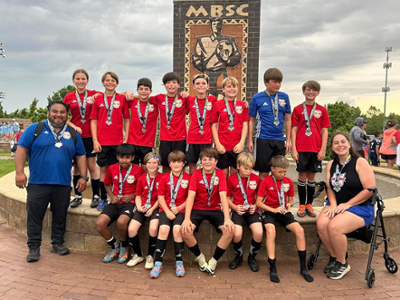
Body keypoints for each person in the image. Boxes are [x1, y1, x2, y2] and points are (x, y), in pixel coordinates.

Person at [15, 101, 88, 262]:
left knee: (60, 215)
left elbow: (81, 155)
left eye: (62, 112)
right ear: (48, 113)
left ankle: (57, 244)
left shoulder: (73, 133)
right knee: (34, 216)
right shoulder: (35, 129)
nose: (58, 115)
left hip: (62, 183)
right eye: (55, 111)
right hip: (38, 182)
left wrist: (83, 176)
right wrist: (19, 173)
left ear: (67, 115)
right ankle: (33, 248)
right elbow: (21, 149)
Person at [317, 132, 375, 280]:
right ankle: (335, 256)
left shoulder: (360, 162)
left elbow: (369, 190)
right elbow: (329, 188)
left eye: (343, 141)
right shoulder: (331, 164)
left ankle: (342, 263)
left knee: (335, 226)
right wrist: (333, 204)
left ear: (349, 144)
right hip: (338, 204)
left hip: (359, 206)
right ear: (332, 147)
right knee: (322, 223)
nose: (340, 145)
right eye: (336, 143)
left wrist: (347, 204)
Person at [256, 155, 313, 283]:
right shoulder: (266, 181)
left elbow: (291, 200)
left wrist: (289, 204)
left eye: (285, 172)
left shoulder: (288, 182)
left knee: (300, 231)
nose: (282, 174)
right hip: (269, 211)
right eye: (280, 172)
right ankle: (272, 267)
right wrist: (273, 210)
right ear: (272, 169)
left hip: (283, 211)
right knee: (271, 232)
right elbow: (259, 203)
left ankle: (303, 268)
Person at [181, 147, 235, 275]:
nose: (207, 162)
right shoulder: (196, 174)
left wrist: (227, 218)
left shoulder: (220, 174)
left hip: (215, 209)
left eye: (210, 159)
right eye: (204, 160)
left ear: (216, 161)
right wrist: (187, 218)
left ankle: (214, 260)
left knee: (230, 231)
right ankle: (200, 257)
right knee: (185, 231)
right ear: (201, 161)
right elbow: (191, 196)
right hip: (198, 209)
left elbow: (223, 196)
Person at [95, 144, 144, 264]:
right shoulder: (112, 168)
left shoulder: (138, 170)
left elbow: (144, 187)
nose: (124, 160)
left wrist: (133, 195)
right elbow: (106, 184)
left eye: (127, 157)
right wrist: (111, 195)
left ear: (132, 158)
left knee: (122, 222)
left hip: (130, 203)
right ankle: (114, 246)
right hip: (115, 202)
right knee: (100, 223)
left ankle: (124, 245)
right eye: (121, 157)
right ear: (117, 157)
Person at [91, 71, 130, 210]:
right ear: (103, 83)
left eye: (113, 80)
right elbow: (93, 121)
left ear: (117, 83)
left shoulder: (122, 99)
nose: (110, 82)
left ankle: (115, 196)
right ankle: (103, 198)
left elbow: (127, 118)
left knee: (116, 170)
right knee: (103, 170)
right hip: (102, 142)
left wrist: (127, 136)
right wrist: (95, 140)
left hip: (118, 142)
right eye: (107, 80)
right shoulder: (97, 99)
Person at [291, 81, 330, 218]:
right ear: (303, 91)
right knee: (302, 176)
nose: (311, 92)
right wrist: (294, 149)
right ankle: (301, 204)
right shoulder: (297, 109)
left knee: (312, 177)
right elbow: (294, 129)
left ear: (318, 92)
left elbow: (324, 131)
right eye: (308, 90)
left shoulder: (322, 110)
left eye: (314, 90)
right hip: (301, 148)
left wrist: (323, 149)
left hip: (316, 148)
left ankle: (309, 204)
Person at [149, 150, 191, 278]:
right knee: (163, 229)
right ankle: (158, 263)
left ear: (183, 164)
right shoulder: (164, 177)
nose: (176, 164)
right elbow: (160, 197)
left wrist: (178, 208)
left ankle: (179, 262)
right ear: (169, 164)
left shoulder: (189, 178)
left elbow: (190, 197)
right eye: (173, 162)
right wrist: (167, 210)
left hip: (181, 210)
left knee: (177, 230)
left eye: (179, 161)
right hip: (165, 209)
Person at [64, 69, 101, 209]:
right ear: (73, 81)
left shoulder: (94, 94)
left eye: (83, 79)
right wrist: (73, 126)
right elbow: (63, 117)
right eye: (78, 79)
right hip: (76, 136)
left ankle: (96, 196)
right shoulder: (68, 97)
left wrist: (127, 93)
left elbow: (113, 95)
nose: (80, 81)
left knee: (92, 166)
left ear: (87, 80)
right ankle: (78, 196)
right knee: (78, 167)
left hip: (91, 136)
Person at [248, 68, 291, 181]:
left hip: (279, 138)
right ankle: (262, 196)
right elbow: (251, 120)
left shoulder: (284, 97)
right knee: (263, 171)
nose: (278, 85)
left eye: (279, 82)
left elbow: (287, 120)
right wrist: (250, 140)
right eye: (275, 81)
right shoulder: (257, 98)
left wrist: (288, 140)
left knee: (279, 171)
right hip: (263, 138)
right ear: (266, 82)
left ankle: (275, 196)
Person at [227, 152, 262, 272]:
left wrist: (255, 205)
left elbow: (260, 197)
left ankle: (252, 257)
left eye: (251, 168)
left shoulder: (256, 179)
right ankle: (239, 255)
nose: (248, 171)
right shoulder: (231, 179)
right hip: (238, 211)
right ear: (238, 166)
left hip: (252, 211)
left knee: (258, 232)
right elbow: (226, 198)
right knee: (236, 233)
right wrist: (235, 207)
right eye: (246, 168)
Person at [127, 152, 162, 269]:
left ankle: (150, 256)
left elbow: (160, 197)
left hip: (156, 207)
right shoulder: (142, 178)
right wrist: (139, 207)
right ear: (145, 165)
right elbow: (138, 195)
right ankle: (138, 255)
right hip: (143, 207)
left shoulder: (162, 178)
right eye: (149, 163)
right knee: (131, 229)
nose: (152, 165)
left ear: (159, 164)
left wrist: (152, 209)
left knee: (153, 228)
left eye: (154, 163)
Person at [191, 16, 241, 97]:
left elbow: (237, 56)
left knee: (222, 98)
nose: (216, 26)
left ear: (221, 26)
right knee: (208, 99)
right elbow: (195, 57)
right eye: (214, 24)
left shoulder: (230, 40)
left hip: (221, 72)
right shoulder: (201, 40)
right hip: (207, 73)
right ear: (210, 26)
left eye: (218, 24)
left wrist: (228, 60)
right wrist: (203, 69)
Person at [211, 77, 249, 179]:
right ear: (223, 89)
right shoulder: (217, 105)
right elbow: (214, 125)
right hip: (222, 145)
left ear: (237, 88)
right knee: (223, 174)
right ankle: (223, 194)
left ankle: (233, 195)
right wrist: (217, 144)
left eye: (234, 86)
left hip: (237, 146)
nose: (231, 89)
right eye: (228, 86)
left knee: (235, 174)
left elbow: (245, 125)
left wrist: (242, 143)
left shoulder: (243, 105)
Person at [152, 72, 188, 174]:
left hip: (181, 138)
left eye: (174, 82)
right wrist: (127, 94)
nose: (171, 85)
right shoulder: (159, 98)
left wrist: (187, 94)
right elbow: (143, 97)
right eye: (168, 82)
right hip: (165, 138)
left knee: (181, 165)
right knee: (166, 166)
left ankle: (182, 187)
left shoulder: (184, 99)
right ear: (164, 85)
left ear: (179, 85)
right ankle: (166, 187)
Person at [186, 74, 217, 174]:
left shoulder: (213, 100)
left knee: (207, 164)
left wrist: (244, 104)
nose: (201, 85)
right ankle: (193, 186)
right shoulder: (189, 100)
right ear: (193, 86)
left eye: (203, 83)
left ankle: (205, 185)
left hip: (207, 137)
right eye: (197, 83)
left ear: (207, 86)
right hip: (192, 138)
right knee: (192, 164)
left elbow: (225, 105)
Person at [127, 78, 159, 170]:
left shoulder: (155, 102)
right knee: (134, 169)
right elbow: (117, 95)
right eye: (141, 89)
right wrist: (127, 92)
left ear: (151, 91)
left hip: (148, 142)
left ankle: (145, 184)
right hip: (133, 141)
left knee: (147, 168)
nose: (143, 91)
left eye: (146, 89)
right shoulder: (132, 101)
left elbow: (167, 96)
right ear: (137, 90)